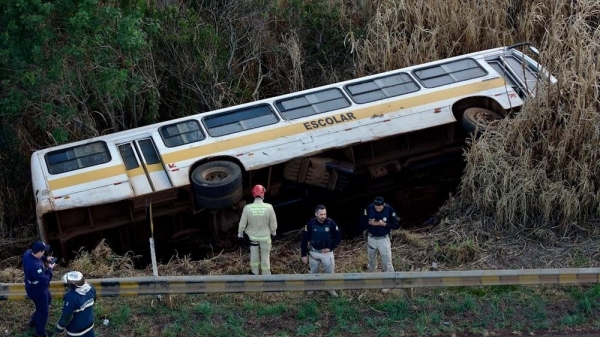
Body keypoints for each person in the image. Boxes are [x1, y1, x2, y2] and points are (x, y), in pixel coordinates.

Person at [360, 196, 400, 293]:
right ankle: (371, 278)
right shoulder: (369, 208)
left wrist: (385, 224)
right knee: (371, 259)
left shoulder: (389, 209)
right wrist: (369, 222)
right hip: (371, 237)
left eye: (380, 208)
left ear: (383, 205)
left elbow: (397, 224)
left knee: (387, 260)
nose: (378, 209)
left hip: (383, 239)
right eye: (376, 207)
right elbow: (361, 221)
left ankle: (389, 283)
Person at [300, 204, 342, 297]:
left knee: (329, 272)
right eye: (321, 214)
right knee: (313, 273)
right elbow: (304, 240)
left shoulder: (331, 223)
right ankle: (312, 288)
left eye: (324, 214)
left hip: (327, 253)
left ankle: (330, 289)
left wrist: (330, 248)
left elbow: (338, 238)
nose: (323, 216)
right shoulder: (310, 224)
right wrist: (303, 254)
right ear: (316, 214)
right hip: (314, 253)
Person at [238, 184, 278, 275]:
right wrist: (273, 232)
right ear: (263, 194)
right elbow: (273, 223)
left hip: (253, 237)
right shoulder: (269, 207)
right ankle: (266, 274)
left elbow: (242, 223)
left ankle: (254, 272)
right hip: (265, 237)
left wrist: (240, 233)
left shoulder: (247, 208)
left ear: (253, 194)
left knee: (254, 255)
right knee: (265, 256)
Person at [22, 240, 56, 337]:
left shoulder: (28, 253)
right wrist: (50, 268)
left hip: (36, 287)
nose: (44, 252)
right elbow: (45, 280)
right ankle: (40, 333)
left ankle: (33, 322)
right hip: (37, 290)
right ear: (39, 252)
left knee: (48, 300)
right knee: (43, 311)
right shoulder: (35, 267)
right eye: (44, 252)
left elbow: (39, 257)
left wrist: (46, 258)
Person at [55, 271, 97, 337]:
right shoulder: (91, 288)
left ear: (72, 285)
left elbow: (66, 316)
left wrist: (59, 328)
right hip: (89, 325)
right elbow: (94, 300)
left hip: (76, 331)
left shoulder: (71, 297)